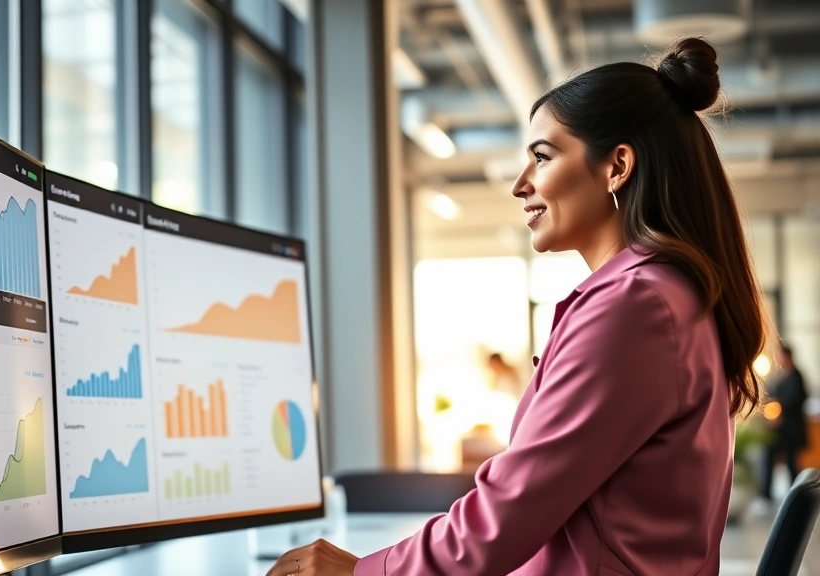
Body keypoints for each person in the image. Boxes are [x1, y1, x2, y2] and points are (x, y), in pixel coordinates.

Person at [267, 37, 767, 576]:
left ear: (617, 166)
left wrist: (367, 572)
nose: (519, 185)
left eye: (542, 157)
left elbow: (507, 515)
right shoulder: (668, 294)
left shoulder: (634, 306)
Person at [760, 342, 809, 500]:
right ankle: (766, 495)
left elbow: (796, 399)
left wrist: (781, 409)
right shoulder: (777, 376)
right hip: (777, 429)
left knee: (791, 463)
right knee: (768, 458)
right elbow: (769, 396)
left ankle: (795, 496)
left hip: (790, 428)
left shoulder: (796, 376)